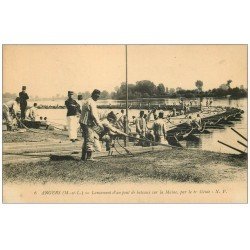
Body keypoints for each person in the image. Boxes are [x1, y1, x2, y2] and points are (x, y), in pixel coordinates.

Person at [79, 89, 103, 161]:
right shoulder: (91, 102)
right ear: (93, 95)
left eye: (98, 96)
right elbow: (94, 115)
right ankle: (89, 157)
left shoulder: (87, 100)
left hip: (83, 122)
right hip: (87, 123)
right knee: (90, 138)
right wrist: (99, 124)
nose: (97, 98)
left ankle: (83, 157)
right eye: (96, 96)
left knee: (86, 139)